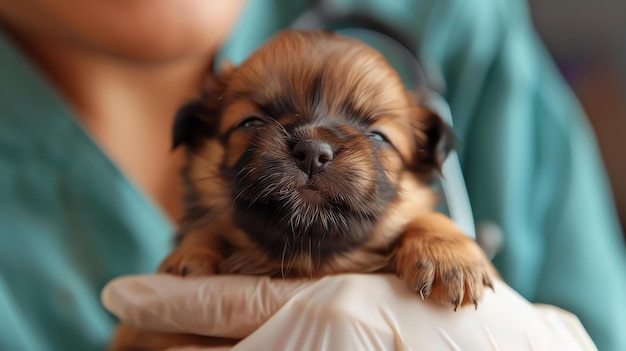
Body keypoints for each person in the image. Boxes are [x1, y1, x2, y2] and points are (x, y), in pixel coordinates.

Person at [0, 0, 624, 350]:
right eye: (249, 125)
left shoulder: (453, 22)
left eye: (378, 137)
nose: (314, 152)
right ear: (195, 147)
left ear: (424, 166)